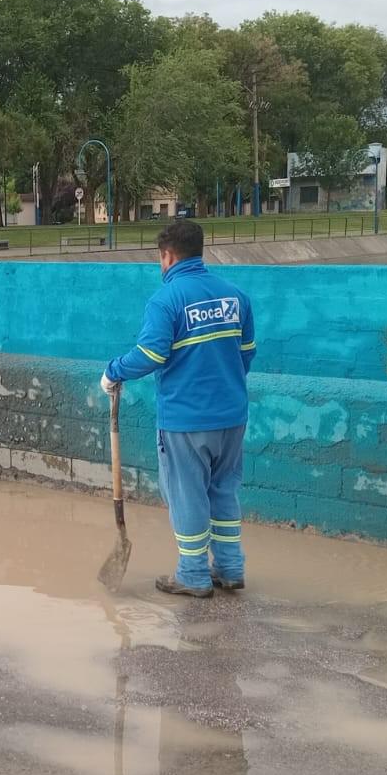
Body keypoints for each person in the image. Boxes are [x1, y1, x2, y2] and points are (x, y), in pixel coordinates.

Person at [101, 220, 256, 598]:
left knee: (187, 495)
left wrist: (113, 372)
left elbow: (150, 355)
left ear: (167, 256)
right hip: (232, 416)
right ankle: (230, 568)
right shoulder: (235, 297)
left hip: (186, 420)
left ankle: (193, 574)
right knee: (223, 489)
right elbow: (246, 354)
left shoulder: (166, 300)